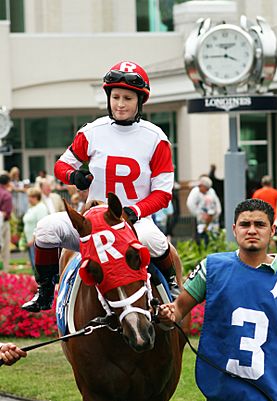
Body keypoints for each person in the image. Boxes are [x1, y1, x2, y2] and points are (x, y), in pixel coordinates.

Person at [22, 60, 178, 313]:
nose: (120, 104)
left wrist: (134, 212)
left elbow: (162, 195)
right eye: (115, 97)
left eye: (127, 98)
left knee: (153, 239)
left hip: (134, 221)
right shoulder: (92, 131)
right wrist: (74, 177)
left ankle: (172, 287)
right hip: (92, 221)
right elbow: (61, 165)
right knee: (46, 228)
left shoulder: (156, 139)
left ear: (140, 101)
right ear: (108, 98)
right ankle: (45, 291)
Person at [159, 198, 277, 401]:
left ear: (273, 230)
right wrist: (168, 313)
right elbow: (179, 309)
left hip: (272, 395)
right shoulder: (212, 268)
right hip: (225, 394)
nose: (252, 230)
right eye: (245, 224)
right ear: (234, 229)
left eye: (260, 224)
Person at [186, 176, 222, 246]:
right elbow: (190, 204)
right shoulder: (196, 192)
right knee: (201, 240)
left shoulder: (210, 195)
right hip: (201, 222)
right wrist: (198, 214)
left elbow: (214, 210)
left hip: (211, 222)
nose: (199, 187)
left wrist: (211, 218)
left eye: (201, 186)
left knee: (211, 240)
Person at [22, 187, 49, 269]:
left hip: (36, 240)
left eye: (30, 197)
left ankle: (40, 281)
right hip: (30, 240)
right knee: (33, 263)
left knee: (37, 264)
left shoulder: (41, 207)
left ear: (36, 197)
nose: (28, 199)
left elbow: (40, 225)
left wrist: (34, 238)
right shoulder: (32, 208)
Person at [0, 173, 13, 272]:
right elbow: (7, 213)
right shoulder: (6, 195)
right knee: (4, 250)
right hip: (3, 223)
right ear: (8, 182)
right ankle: (4, 272)